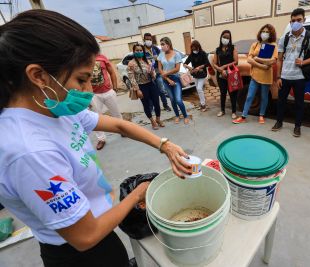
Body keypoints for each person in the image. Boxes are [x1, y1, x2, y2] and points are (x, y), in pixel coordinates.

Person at [0, 10, 191, 267]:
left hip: (101, 230)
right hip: (80, 255)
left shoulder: (53, 108)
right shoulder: (30, 152)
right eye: (82, 79)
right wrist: (137, 195)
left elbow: (120, 125)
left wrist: (165, 145)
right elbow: (85, 236)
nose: (89, 91)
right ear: (38, 76)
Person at [273, 8, 310, 137]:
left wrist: (303, 62)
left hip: (299, 77)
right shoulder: (285, 38)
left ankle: (297, 126)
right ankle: (279, 122)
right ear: (290, 22)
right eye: (293, 20)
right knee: (281, 101)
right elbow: (279, 59)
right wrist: (278, 77)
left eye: (299, 20)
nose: (296, 22)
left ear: (304, 20)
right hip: (285, 76)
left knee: (299, 103)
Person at [233, 24, 278, 124]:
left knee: (264, 96)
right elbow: (249, 59)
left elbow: (273, 61)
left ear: (271, 34)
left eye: (267, 32)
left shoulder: (273, 45)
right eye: (263, 31)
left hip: (266, 77)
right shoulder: (255, 45)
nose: (265, 34)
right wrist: (262, 65)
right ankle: (243, 116)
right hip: (255, 75)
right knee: (249, 96)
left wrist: (257, 58)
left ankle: (261, 115)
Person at [128, 44, 165, 130]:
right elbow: (131, 78)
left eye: (141, 50)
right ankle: (152, 121)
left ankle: (158, 119)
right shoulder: (131, 63)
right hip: (141, 87)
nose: (139, 52)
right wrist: (137, 90)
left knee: (156, 102)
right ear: (134, 51)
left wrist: (152, 72)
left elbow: (154, 76)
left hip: (151, 84)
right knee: (146, 105)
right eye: (137, 50)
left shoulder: (147, 61)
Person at [90, 53, 122, 150]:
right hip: (94, 94)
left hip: (108, 91)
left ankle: (123, 130)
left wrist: (115, 88)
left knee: (116, 114)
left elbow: (111, 72)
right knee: (95, 118)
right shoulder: (81, 59)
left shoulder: (102, 57)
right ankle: (101, 139)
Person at [158, 37, 190, 124]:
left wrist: (166, 73)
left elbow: (177, 69)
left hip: (175, 79)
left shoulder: (176, 54)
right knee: (172, 99)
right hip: (165, 80)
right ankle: (177, 115)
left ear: (168, 44)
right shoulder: (161, 55)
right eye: (161, 44)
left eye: (163, 44)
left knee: (178, 100)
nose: (162, 46)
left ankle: (185, 115)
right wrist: (167, 78)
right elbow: (160, 69)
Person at [212, 30, 239, 119]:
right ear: (221, 37)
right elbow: (214, 63)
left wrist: (224, 66)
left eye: (227, 37)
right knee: (223, 92)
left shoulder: (233, 48)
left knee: (232, 93)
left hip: (231, 74)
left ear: (230, 39)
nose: (225, 39)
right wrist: (220, 69)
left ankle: (234, 112)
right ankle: (222, 110)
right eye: (224, 37)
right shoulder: (217, 50)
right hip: (221, 74)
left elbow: (236, 61)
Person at [143, 33, 172, 112]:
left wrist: (158, 59)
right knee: (150, 93)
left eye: (150, 39)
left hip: (158, 73)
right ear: (144, 40)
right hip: (148, 75)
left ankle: (165, 105)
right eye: (147, 39)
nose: (148, 41)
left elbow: (162, 58)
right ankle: (151, 108)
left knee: (161, 90)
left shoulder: (155, 48)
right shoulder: (142, 50)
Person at [183, 40, 209, 112]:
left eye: (195, 48)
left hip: (202, 74)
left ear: (198, 47)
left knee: (199, 88)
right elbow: (185, 63)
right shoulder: (191, 55)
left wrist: (200, 67)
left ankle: (203, 105)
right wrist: (189, 68)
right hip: (195, 75)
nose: (194, 50)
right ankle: (201, 104)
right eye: (192, 48)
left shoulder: (203, 53)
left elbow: (207, 63)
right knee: (198, 89)